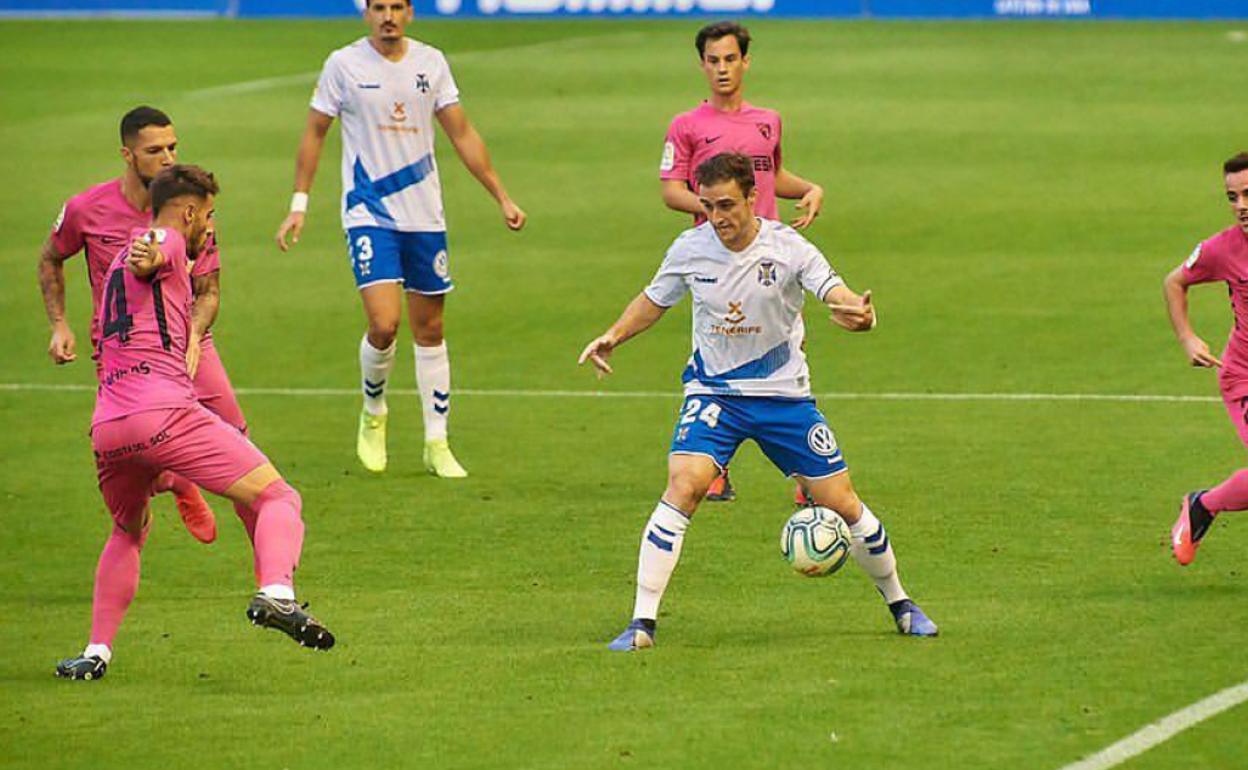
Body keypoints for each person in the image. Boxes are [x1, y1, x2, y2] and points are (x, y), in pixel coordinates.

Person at [579, 153, 937, 651]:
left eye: (727, 204)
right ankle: (642, 623)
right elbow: (653, 299)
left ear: (752, 198)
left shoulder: (789, 249)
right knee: (685, 485)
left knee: (843, 502)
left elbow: (836, 292)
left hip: (783, 399)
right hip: (715, 395)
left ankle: (901, 603)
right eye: (707, 207)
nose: (718, 217)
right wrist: (613, 336)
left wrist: (862, 314)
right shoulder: (690, 248)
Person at [56, 165, 335, 681]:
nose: (209, 226)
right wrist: (155, 248)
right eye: (208, 215)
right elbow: (158, 245)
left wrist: (144, 253)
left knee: (128, 532)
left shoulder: (116, 260)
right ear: (188, 212)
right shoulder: (163, 240)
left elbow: (145, 259)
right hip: (163, 413)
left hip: (108, 427)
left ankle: (95, 652)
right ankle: (278, 592)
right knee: (278, 497)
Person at [275, 0, 526, 477]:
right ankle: (374, 412)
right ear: (365, 12)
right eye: (378, 7)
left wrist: (502, 196)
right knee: (385, 323)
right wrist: (299, 204)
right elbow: (314, 132)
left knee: (431, 329)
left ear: (409, 12)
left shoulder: (431, 63)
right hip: (368, 213)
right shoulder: (343, 64)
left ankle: (437, 441)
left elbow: (463, 133)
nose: (387, 16)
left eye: (396, 6)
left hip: (425, 216)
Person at [38, 105, 249, 544]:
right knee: (134, 457)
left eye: (173, 147)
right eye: (155, 150)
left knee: (242, 445)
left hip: (189, 345)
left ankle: (271, 573)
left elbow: (208, 290)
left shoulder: (191, 212)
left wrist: (193, 336)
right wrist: (59, 323)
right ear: (127, 155)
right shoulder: (87, 209)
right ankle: (175, 481)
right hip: (123, 353)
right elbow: (51, 257)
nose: (169, 158)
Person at [659, 21, 824, 504]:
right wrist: (718, 210)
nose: (722, 69)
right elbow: (672, 190)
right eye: (713, 61)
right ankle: (714, 468)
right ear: (702, 65)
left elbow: (770, 176)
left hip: (772, 260)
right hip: (716, 260)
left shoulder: (767, 120)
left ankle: (808, 474)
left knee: (787, 352)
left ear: (745, 61)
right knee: (716, 356)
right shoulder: (686, 126)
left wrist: (811, 187)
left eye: (731, 59)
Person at [1166, 151, 1248, 565]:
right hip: (1244, 377)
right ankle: (1204, 505)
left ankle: (1204, 505)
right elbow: (1175, 282)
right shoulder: (1223, 249)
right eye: (1233, 198)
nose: (1242, 207)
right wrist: (1188, 338)